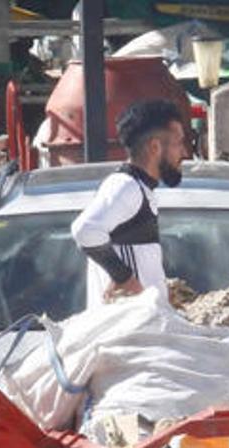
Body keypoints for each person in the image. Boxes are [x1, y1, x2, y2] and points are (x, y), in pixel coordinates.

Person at [71, 100, 188, 308]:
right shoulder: (126, 187)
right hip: (128, 335)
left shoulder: (140, 188)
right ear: (155, 147)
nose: (184, 153)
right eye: (179, 143)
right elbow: (85, 230)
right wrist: (124, 279)